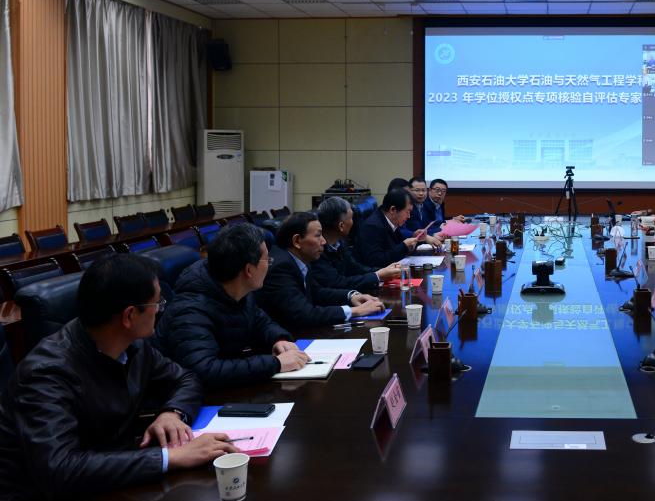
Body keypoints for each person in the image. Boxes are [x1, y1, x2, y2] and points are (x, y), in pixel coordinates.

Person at [0, 255, 236, 500]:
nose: (160, 309)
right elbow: (60, 469)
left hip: (110, 478)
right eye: (157, 302)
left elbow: (185, 378)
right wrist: (170, 457)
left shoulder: (132, 345)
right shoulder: (46, 373)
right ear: (129, 316)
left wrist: (172, 412)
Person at [155, 223, 311, 390]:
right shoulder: (190, 310)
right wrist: (276, 363)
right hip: (187, 396)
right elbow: (205, 371)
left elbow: (260, 321)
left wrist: (278, 340)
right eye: (267, 259)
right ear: (249, 270)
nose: (270, 263)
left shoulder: (235, 286)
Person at [256, 212, 384, 330]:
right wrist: (355, 311)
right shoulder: (280, 267)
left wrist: (351, 296)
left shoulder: (300, 258)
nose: (323, 241)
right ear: (297, 241)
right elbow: (304, 314)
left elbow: (317, 292)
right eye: (318, 236)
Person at [314, 196, 402, 294]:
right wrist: (377, 275)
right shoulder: (316, 251)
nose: (353, 222)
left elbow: (355, 268)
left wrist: (385, 270)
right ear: (341, 226)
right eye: (351, 218)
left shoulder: (340, 242)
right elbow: (338, 283)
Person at [356, 188, 428, 267]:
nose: (409, 216)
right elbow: (375, 261)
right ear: (393, 210)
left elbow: (396, 248)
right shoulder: (372, 227)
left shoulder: (392, 221)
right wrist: (404, 246)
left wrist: (416, 240)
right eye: (408, 211)